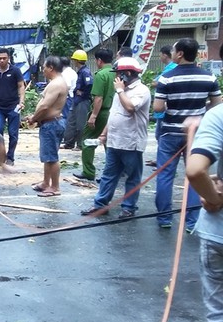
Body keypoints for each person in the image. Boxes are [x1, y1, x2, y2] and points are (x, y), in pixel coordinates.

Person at [154, 38, 221, 231]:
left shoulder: (167, 78)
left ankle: (164, 218)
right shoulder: (209, 77)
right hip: (198, 134)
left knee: (165, 174)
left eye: (174, 51)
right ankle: (192, 221)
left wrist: (173, 106)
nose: (172, 54)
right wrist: (199, 110)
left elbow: (158, 107)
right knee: (195, 175)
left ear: (180, 54)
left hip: (170, 133)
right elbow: (217, 104)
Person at [186, 107, 223, 322]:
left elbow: (196, 169)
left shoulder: (219, 116)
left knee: (220, 321)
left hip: (219, 235)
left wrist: (212, 199)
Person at [80, 58, 151, 219]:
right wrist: (104, 134)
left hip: (131, 142)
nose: (116, 77)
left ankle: (129, 207)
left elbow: (130, 108)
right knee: (108, 175)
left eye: (118, 74)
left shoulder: (141, 90)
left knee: (132, 177)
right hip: (114, 141)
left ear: (127, 74)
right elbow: (114, 114)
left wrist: (119, 91)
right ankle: (100, 205)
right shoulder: (120, 90)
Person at [26, 56, 68, 197]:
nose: (43, 70)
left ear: (51, 68)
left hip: (52, 123)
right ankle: (46, 182)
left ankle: (55, 187)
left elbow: (45, 106)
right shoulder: (56, 82)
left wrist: (34, 118)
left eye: (44, 67)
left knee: (51, 157)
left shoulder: (57, 84)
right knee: (48, 156)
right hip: (50, 123)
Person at [74, 48, 115, 181]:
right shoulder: (116, 73)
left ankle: (88, 171)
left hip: (102, 112)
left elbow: (98, 98)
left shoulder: (101, 75)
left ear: (99, 60)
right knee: (109, 142)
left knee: (87, 140)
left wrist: (93, 116)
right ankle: (114, 172)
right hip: (114, 112)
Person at [0, 47, 26, 166]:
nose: (2, 60)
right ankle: (1, 156)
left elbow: (21, 86)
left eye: (4, 58)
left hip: (13, 107)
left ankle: (10, 157)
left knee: (13, 133)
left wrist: (21, 102)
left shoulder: (15, 71)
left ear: (8, 58)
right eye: (0, 58)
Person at [146, 45, 178, 167]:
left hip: (164, 110)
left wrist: (152, 83)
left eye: (160, 54)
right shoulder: (170, 68)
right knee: (160, 136)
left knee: (162, 136)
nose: (160, 57)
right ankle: (161, 161)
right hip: (164, 110)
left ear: (165, 55)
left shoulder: (172, 68)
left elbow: (156, 83)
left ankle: (163, 163)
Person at [62, 49, 93, 150]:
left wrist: (83, 93)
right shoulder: (80, 72)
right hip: (76, 100)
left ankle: (80, 144)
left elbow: (89, 84)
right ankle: (69, 143)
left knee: (81, 123)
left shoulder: (85, 72)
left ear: (77, 60)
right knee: (71, 121)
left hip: (83, 101)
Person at [60, 55, 77, 122]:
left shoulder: (65, 73)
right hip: (72, 96)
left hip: (68, 97)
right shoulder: (72, 71)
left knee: (66, 116)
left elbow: (67, 86)